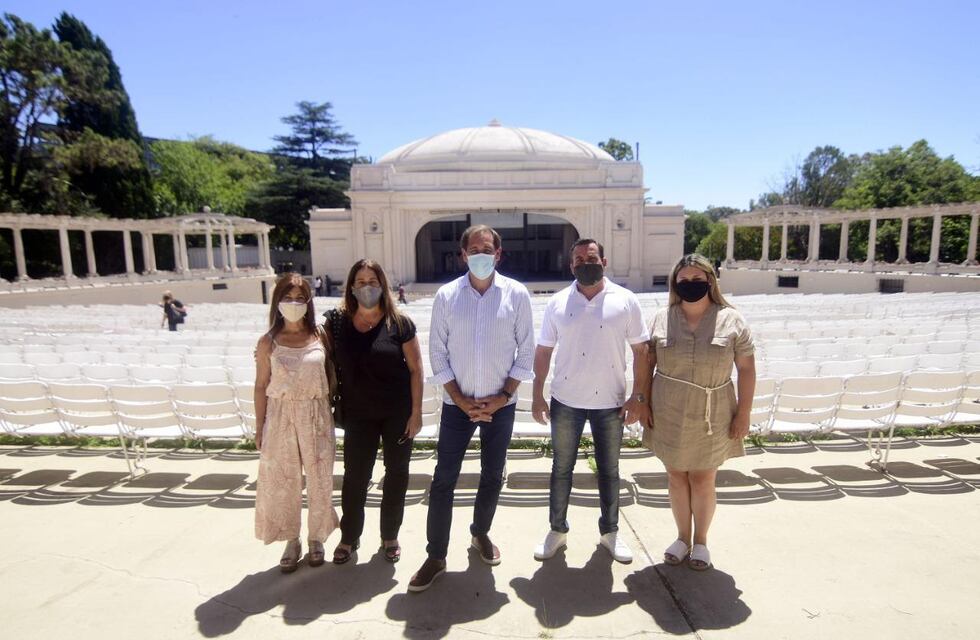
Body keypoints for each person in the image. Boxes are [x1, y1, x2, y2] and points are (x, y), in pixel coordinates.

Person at [408, 224, 535, 592]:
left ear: (499, 254)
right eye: (474, 250)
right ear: (463, 255)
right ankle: (436, 555)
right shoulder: (447, 296)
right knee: (443, 479)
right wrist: (461, 399)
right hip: (455, 405)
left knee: (493, 475)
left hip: (501, 404)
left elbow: (525, 350)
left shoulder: (517, 295)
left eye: (488, 249)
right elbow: (437, 352)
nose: (481, 255)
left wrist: (503, 395)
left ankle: (480, 534)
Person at [531, 239, 651, 564]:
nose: (586, 263)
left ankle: (610, 533)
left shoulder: (626, 301)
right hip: (566, 400)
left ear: (604, 261)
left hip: (610, 402)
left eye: (592, 257)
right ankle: (557, 530)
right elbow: (543, 351)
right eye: (579, 259)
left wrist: (638, 396)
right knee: (561, 469)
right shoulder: (557, 303)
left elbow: (642, 351)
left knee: (610, 471)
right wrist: (537, 393)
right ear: (571, 266)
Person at [644, 254, 755, 571]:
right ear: (674, 283)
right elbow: (647, 365)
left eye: (697, 279)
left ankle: (701, 542)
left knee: (704, 478)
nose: (690, 285)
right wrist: (643, 402)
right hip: (669, 409)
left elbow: (746, 369)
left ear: (710, 281)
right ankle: (682, 538)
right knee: (676, 476)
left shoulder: (732, 320)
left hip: (714, 410)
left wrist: (743, 413)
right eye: (684, 280)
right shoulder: (660, 319)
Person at [328, 259, 424, 565]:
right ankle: (349, 536)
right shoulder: (338, 323)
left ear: (382, 285)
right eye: (360, 282)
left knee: (396, 475)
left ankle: (389, 536)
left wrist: (416, 412)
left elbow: (416, 370)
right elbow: (314, 348)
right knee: (355, 477)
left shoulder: (400, 324)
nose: (366, 287)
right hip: (358, 413)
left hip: (397, 413)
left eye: (372, 281)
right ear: (351, 287)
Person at [253, 273, 339, 573]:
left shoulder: (320, 335)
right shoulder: (268, 342)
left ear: (308, 301)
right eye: (287, 298)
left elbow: (331, 370)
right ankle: (291, 539)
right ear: (277, 302)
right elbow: (260, 384)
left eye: (299, 298)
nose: (293, 303)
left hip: (315, 413)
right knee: (284, 481)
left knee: (320, 479)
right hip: (280, 415)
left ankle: (316, 537)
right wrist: (259, 425)